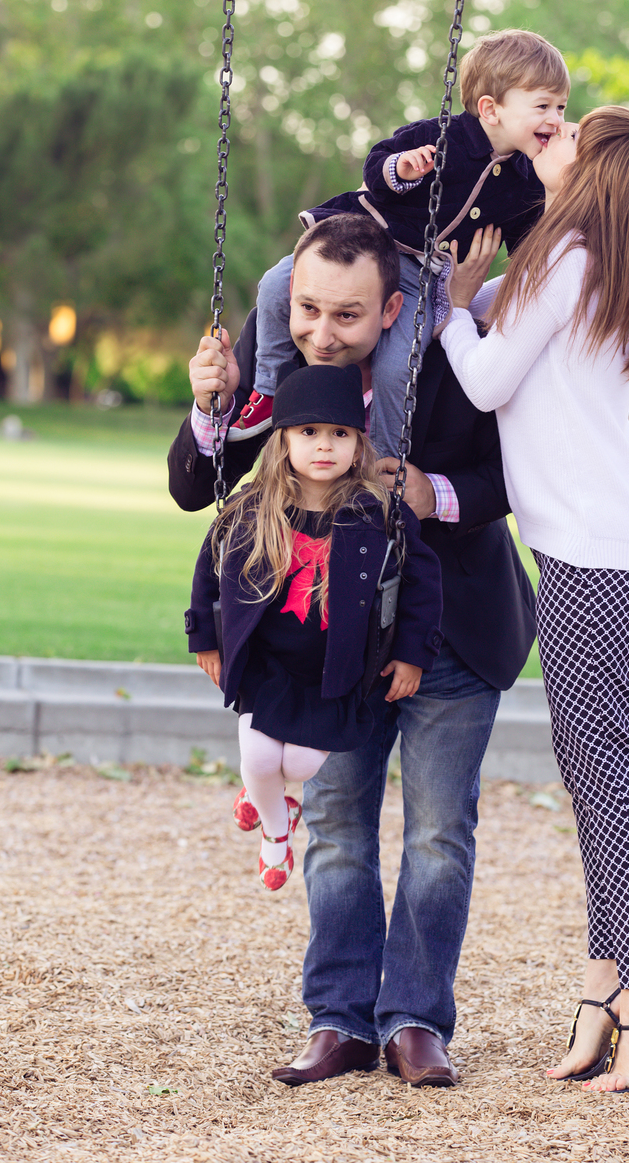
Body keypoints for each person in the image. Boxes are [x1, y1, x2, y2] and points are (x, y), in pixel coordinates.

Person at [168, 212, 536, 1087]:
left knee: (441, 831)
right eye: (306, 310)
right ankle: (339, 1019)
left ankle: (415, 1019)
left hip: (451, 633)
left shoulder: (449, 350)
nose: (320, 333)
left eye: (346, 316)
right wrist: (208, 403)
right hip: (325, 652)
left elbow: (508, 476)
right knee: (335, 825)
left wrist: (432, 493)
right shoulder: (281, 381)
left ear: (391, 308)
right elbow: (195, 487)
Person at [437, 106, 629, 1095]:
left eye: (572, 133)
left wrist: (451, 309)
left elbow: (484, 381)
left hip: (593, 552)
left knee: (603, 774)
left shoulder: (568, 262)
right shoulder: (590, 264)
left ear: (595, 173)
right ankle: (606, 976)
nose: (556, 130)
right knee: (591, 768)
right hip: (604, 545)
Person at [227, 28, 569, 457]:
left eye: (561, 107)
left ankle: (386, 458)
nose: (556, 120)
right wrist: (401, 171)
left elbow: (530, 254)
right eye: (543, 106)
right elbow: (376, 164)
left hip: (417, 278)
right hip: (357, 240)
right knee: (277, 284)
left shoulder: (525, 182)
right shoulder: (441, 135)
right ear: (491, 108)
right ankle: (267, 393)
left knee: (397, 364)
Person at [186, 362, 443, 893]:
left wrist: (414, 653)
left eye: (340, 434)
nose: (324, 446)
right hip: (268, 665)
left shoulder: (378, 513)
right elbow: (206, 573)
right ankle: (275, 837)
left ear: (358, 443)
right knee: (258, 757)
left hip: (334, 672)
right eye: (309, 433)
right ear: (283, 442)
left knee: (299, 765)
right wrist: (204, 638)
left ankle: (274, 799)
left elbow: (423, 584)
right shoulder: (253, 510)